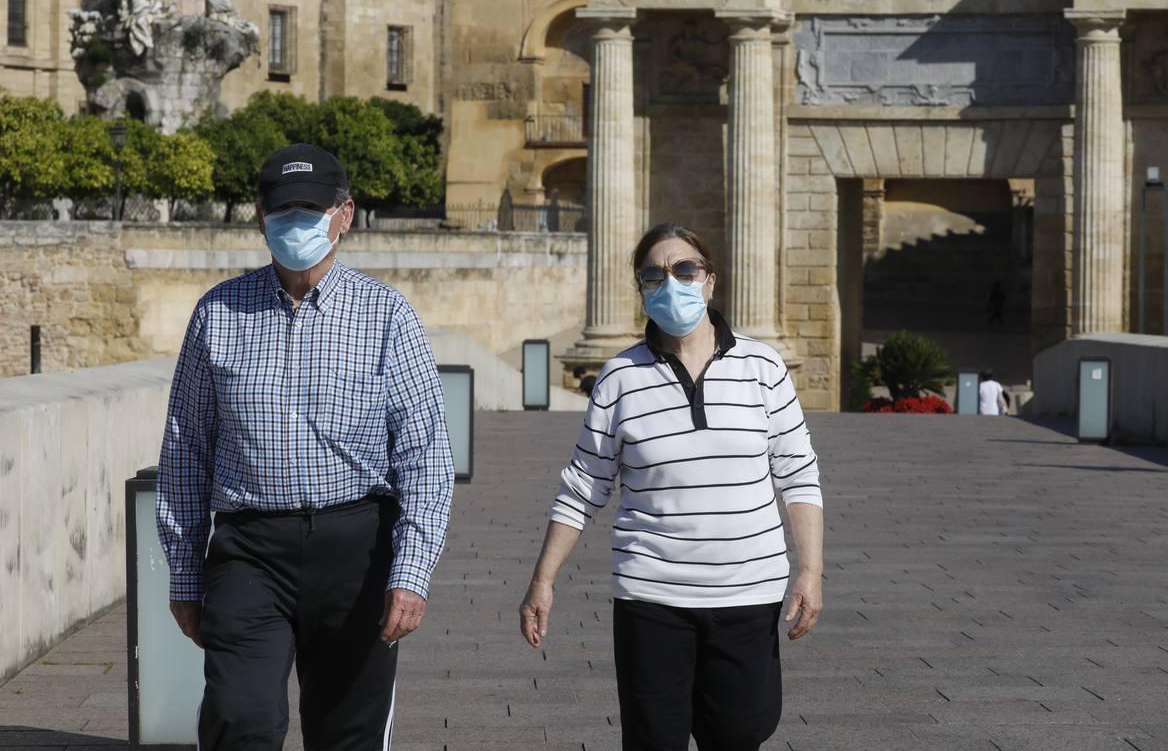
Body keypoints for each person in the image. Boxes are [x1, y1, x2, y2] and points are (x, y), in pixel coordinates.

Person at [156, 143, 454, 749]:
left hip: (357, 550)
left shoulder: (387, 315)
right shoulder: (218, 314)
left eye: (311, 209)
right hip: (249, 551)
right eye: (282, 209)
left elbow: (425, 455)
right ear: (259, 217)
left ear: (344, 215)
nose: (296, 222)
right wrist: (185, 573)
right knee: (240, 719)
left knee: (348, 731)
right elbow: (187, 448)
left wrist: (412, 572)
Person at [519, 223, 825, 751]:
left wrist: (811, 571)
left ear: (709, 279)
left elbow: (798, 472)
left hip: (747, 592)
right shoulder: (619, 378)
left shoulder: (763, 366)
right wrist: (543, 580)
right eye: (653, 275)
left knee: (741, 731)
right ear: (640, 290)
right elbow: (583, 485)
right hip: (651, 594)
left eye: (684, 269)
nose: (671, 284)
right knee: (653, 740)